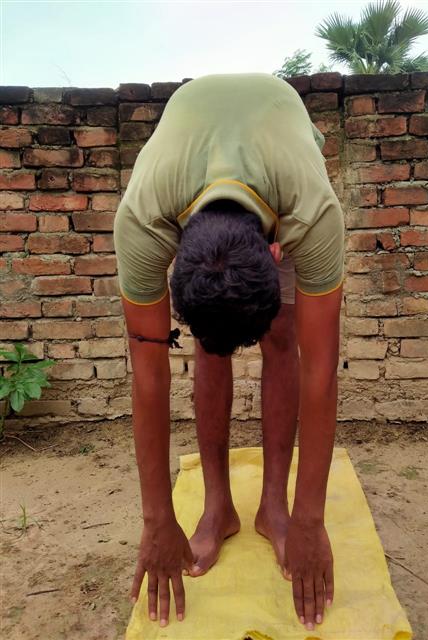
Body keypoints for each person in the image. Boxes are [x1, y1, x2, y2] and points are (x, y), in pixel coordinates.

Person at [113, 72, 344, 633]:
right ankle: (218, 507)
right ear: (172, 259)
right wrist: (157, 518)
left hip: (280, 135)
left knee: (282, 334)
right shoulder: (142, 219)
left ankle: (274, 506)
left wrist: (310, 519)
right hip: (187, 148)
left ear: (277, 251)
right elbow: (148, 378)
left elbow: (320, 370)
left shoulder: (312, 212)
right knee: (211, 342)